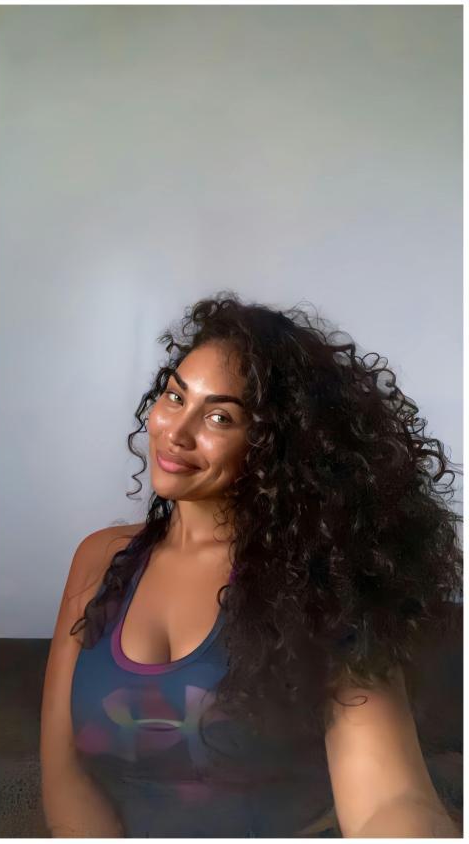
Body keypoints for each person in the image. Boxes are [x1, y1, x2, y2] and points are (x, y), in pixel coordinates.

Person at [40, 292, 462, 837]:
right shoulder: (100, 559)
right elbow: (64, 769)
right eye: (175, 396)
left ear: (275, 447)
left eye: (219, 416)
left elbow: (391, 800)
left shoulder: (324, 576)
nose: (177, 431)